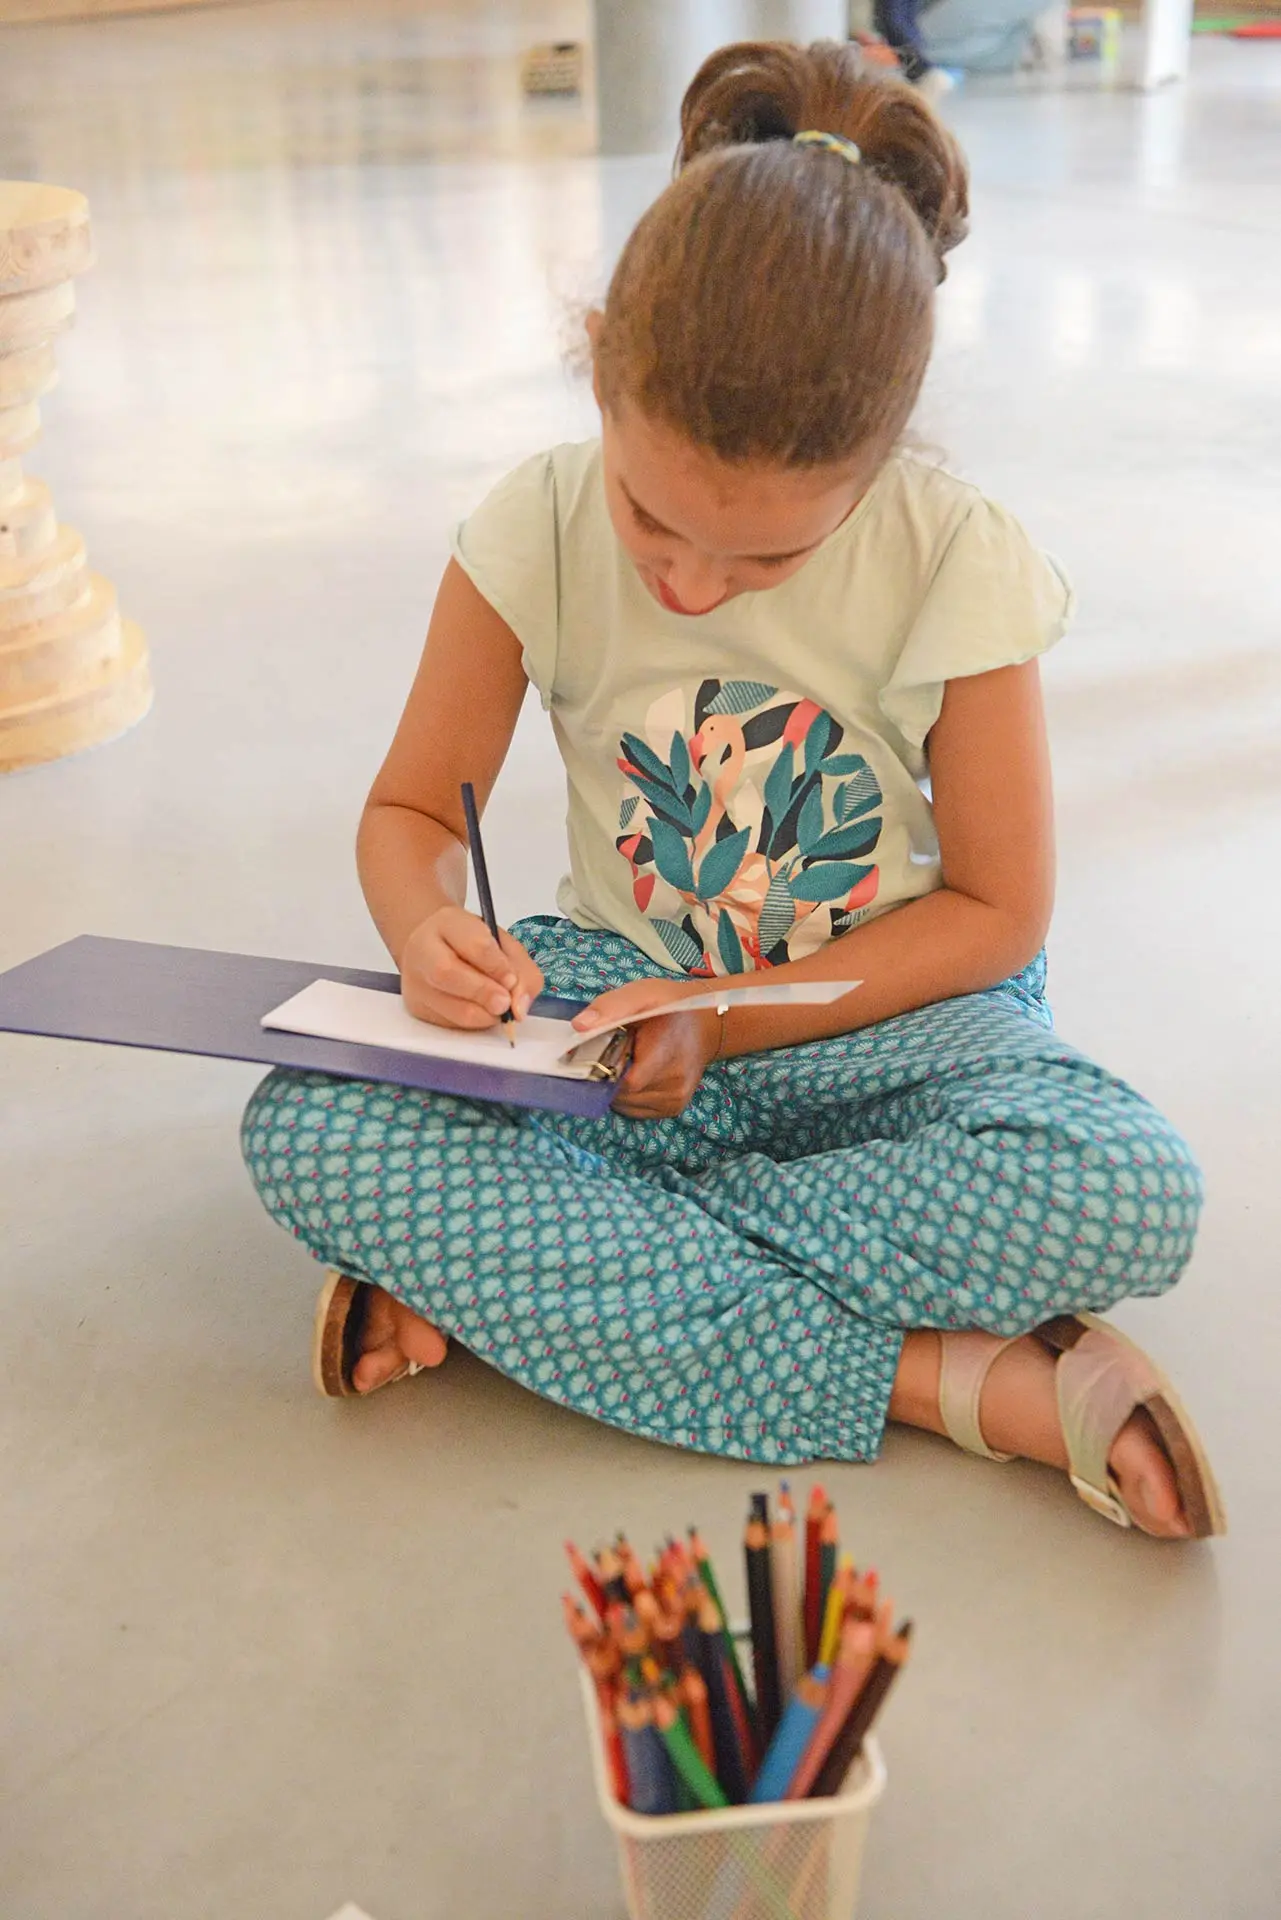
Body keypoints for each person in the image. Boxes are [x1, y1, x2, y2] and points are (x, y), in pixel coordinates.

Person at [242, 41, 1223, 1541]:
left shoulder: (953, 555)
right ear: (597, 360)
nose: (693, 583)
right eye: (650, 517)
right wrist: (423, 921)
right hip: (612, 1015)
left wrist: (743, 1016)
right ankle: (938, 1374)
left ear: (882, 458)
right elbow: (413, 820)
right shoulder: (532, 527)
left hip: (885, 1021)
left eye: (768, 561)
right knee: (308, 1124)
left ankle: (543, 1275)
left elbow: (1000, 909)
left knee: (1126, 1184)